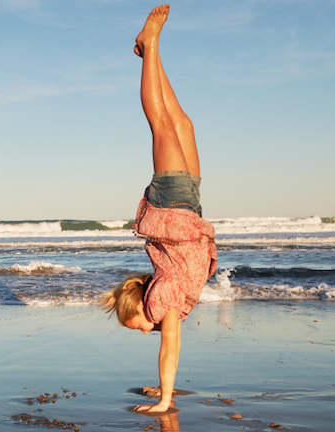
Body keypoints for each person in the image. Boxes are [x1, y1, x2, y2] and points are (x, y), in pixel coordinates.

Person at [101, 4, 217, 414]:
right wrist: (160, 392)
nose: (141, 332)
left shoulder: (159, 303)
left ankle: (150, 46)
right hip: (189, 206)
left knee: (162, 124)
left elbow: (170, 348)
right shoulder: (165, 296)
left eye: (133, 327)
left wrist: (166, 398)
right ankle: (150, 49)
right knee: (182, 123)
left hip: (173, 204)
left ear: (139, 311)